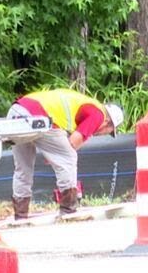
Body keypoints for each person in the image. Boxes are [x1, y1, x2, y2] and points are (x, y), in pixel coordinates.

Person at [7, 88, 123, 219]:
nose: (103, 134)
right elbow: (74, 142)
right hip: (38, 116)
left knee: (23, 168)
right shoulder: (99, 114)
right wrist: (58, 155)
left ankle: (20, 215)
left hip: (16, 112)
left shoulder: (87, 104)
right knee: (69, 158)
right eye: (108, 131)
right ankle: (68, 211)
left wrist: (55, 153)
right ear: (108, 123)